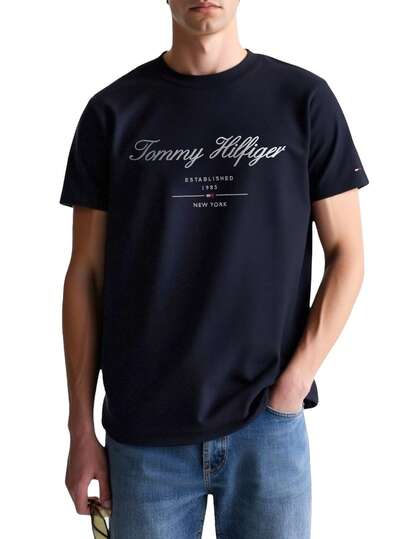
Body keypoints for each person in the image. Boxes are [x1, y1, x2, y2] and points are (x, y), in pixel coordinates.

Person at [60, 1, 369, 537]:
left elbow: (348, 253)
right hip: (144, 435)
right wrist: (80, 429)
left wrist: (293, 385)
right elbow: (85, 274)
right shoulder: (113, 112)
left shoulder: (303, 100)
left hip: (267, 427)